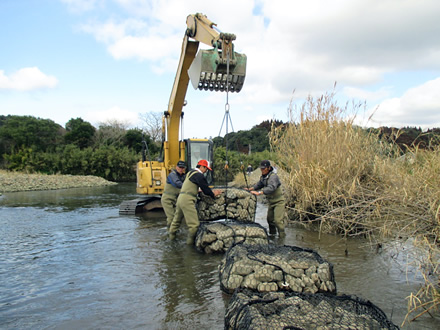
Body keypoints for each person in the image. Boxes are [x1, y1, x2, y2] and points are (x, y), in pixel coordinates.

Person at [169, 159, 222, 244]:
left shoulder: (190, 173)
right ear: (201, 167)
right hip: (187, 200)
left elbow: (191, 185)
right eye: (206, 169)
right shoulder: (199, 176)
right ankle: (189, 245)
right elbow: (206, 190)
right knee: (194, 226)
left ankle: (171, 240)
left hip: (180, 198)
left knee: (176, 222)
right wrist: (213, 194)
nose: (206, 171)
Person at [246, 160, 286, 237]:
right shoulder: (264, 177)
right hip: (271, 202)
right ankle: (272, 235)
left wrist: (260, 193)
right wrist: (250, 189)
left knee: (278, 221)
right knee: (270, 220)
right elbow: (259, 185)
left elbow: (271, 188)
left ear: (268, 168)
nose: (262, 170)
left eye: (263, 169)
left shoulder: (273, 177)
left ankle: (282, 237)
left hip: (279, 202)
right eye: (261, 169)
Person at [161, 160, 186, 229]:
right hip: (167, 200)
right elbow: (177, 183)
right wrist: (187, 187)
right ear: (176, 167)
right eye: (180, 167)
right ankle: (170, 233)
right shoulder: (172, 175)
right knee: (171, 218)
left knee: (177, 218)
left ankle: (175, 231)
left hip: (176, 199)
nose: (181, 169)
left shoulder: (184, 176)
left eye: (182, 168)